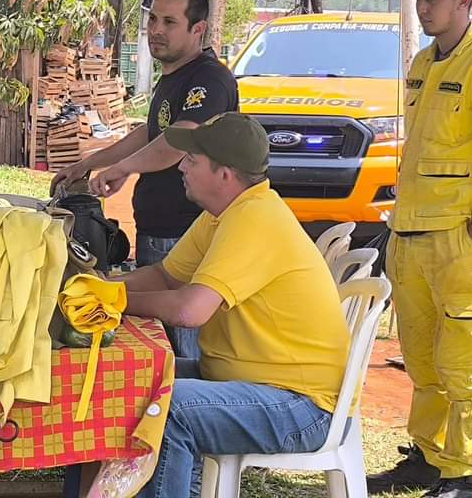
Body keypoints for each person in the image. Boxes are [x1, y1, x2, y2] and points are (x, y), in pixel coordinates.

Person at [113, 112, 350, 498]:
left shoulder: (255, 218)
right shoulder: (223, 214)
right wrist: (102, 286)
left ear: (225, 174)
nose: (182, 166)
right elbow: (167, 276)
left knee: (167, 411)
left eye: (193, 159)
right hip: (255, 383)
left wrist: (116, 301)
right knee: (128, 382)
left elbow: (189, 311)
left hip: (302, 406)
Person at [367, 0, 472, 498]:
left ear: (465, 0)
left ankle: (464, 472)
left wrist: (471, 239)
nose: (422, 10)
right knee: (422, 359)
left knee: (462, 361)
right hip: (409, 235)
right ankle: (427, 458)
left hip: (456, 239)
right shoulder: (423, 62)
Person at [50, 0, 237, 359]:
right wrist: (88, 162)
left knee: (179, 353)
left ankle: (183, 412)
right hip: (158, 231)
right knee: (156, 342)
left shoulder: (209, 79)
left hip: (186, 231)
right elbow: (149, 132)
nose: (156, 30)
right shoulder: (174, 78)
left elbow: (179, 139)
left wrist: (122, 169)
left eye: (169, 22)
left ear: (197, 29)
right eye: (153, 19)